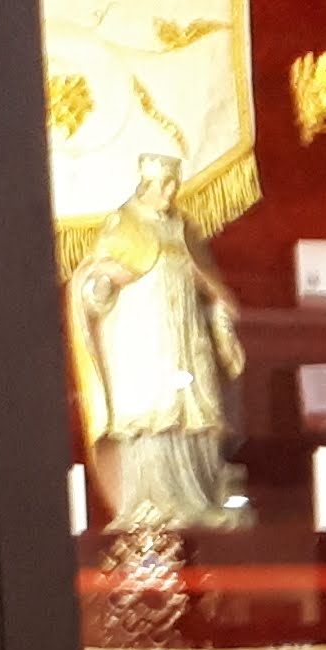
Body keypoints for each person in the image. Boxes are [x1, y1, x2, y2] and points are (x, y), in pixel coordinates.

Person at [64, 152, 248, 527]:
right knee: (154, 419)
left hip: (187, 341)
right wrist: (102, 283)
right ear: (145, 185)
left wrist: (218, 313)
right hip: (144, 343)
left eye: (173, 185)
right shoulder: (122, 224)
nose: (168, 193)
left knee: (193, 416)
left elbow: (206, 284)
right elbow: (94, 289)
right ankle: (152, 502)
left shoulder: (184, 227)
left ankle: (200, 497)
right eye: (161, 185)